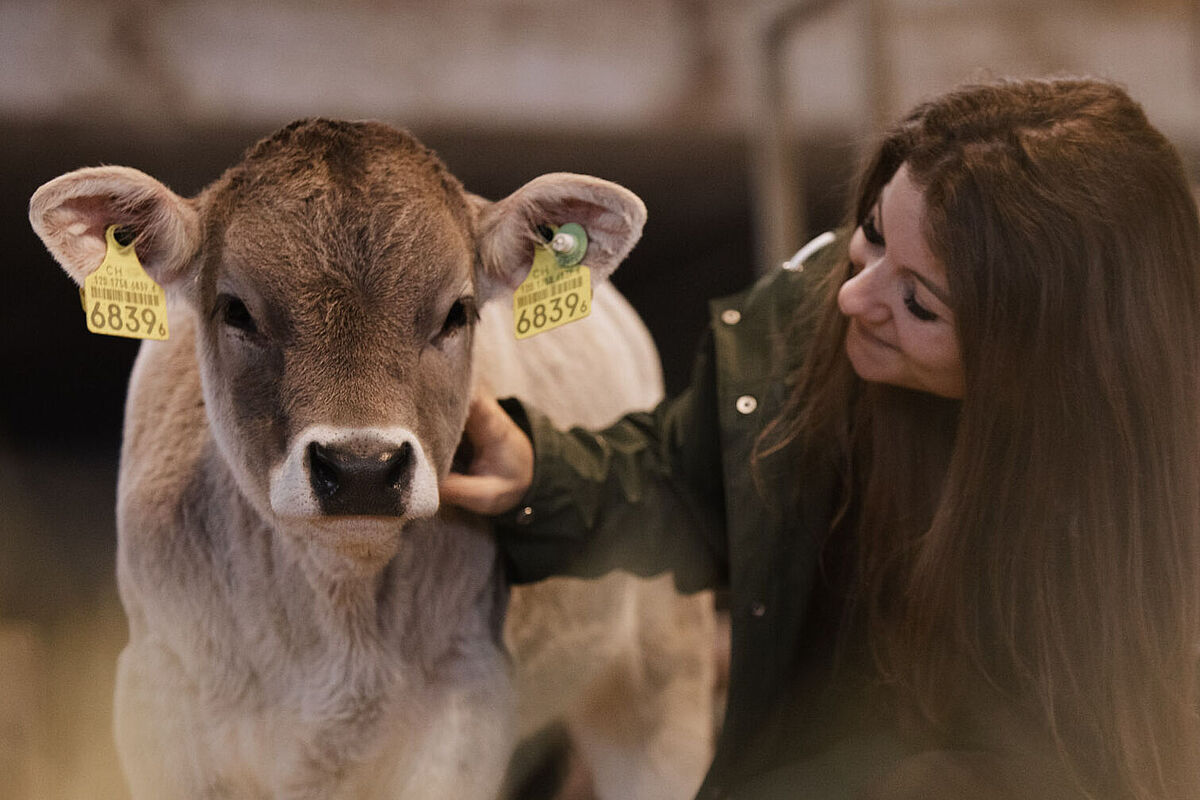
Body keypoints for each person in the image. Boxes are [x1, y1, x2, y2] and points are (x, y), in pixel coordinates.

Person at [441, 77, 1200, 800]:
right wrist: (543, 475)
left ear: (1039, 357)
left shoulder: (1152, 508)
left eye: (918, 302)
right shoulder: (805, 324)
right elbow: (691, 476)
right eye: (870, 235)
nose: (851, 294)